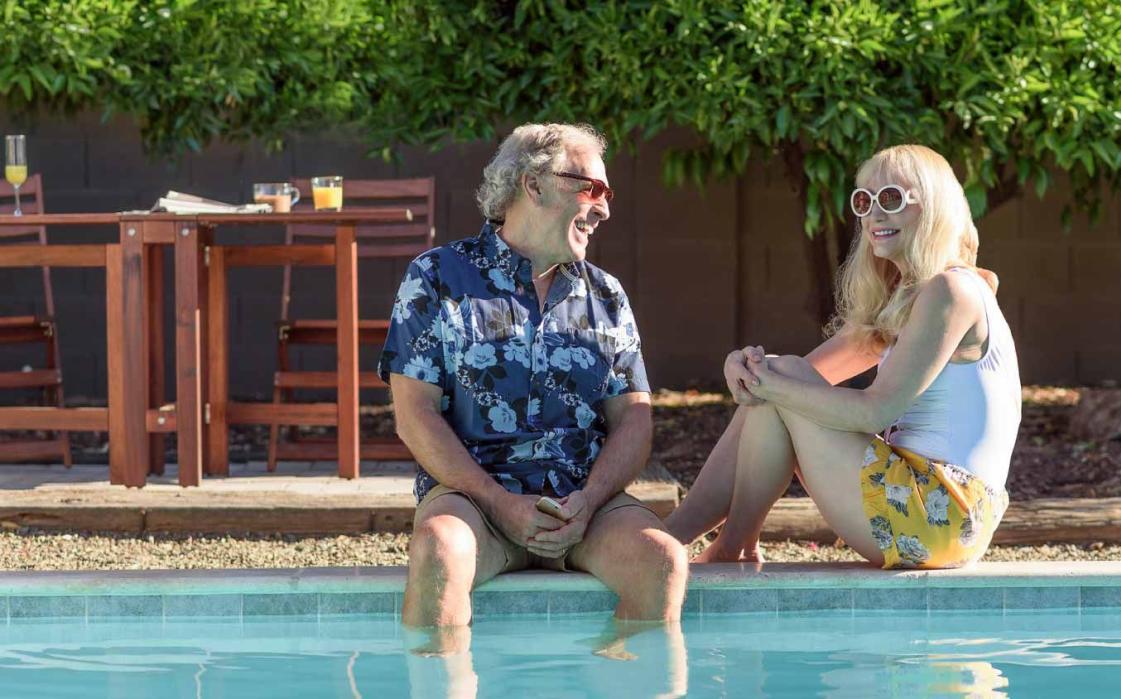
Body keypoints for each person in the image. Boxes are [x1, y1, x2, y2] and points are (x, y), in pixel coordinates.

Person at [379, 123, 687, 630]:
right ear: (535, 185)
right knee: (438, 551)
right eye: (591, 188)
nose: (604, 207)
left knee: (662, 563)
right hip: (475, 502)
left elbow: (634, 420)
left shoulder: (607, 296)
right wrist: (500, 504)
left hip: (584, 510)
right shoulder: (436, 277)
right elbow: (414, 415)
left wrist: (587, 503)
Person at [665, 144, 1020, 569]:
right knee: (779, 380)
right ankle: (701, 542)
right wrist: (745, 369)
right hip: (935, 514)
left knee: (780, 382)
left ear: (934, 208)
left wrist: (768, 381)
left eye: (890, 198)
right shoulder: (909, 300)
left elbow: (876, 412)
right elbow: (802, 377)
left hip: (940, 512)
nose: (874, 214)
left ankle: (687, 542)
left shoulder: (951, 291)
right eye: (864, 201)